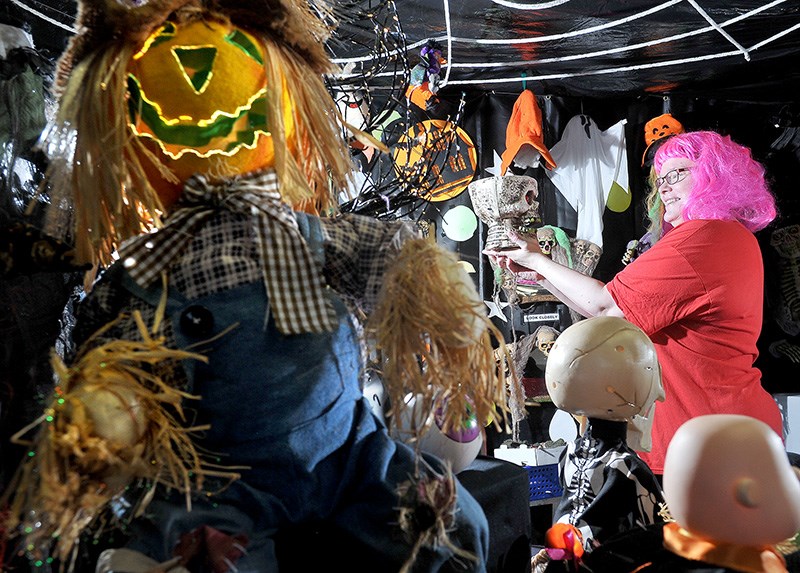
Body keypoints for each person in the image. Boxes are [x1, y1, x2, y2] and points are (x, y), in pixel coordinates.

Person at [484, 130, 783, 476]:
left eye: (678, 173)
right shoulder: (729, 237)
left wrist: (537, 261)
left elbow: (605, 307)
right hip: (720, 439)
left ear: (715, 174)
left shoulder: (705, 238)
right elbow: (604, 312)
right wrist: (538, 271)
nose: (665, 187)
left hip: (712, 446)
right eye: (662, 179)